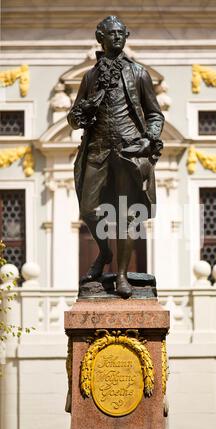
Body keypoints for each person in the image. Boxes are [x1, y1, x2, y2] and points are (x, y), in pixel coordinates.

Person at [67, 16, 164, 298]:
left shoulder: (139, 73)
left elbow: (155, 113)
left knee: (127, 216)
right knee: (87, 208)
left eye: (122, 33)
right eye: (112, 33)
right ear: (101, 37)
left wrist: (150, 137)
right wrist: (79, 113)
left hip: (128, 150)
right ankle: (105, 251)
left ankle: (121, 276)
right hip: (97, 149)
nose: (118, 37)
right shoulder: (90, 76)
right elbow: (73, 120)